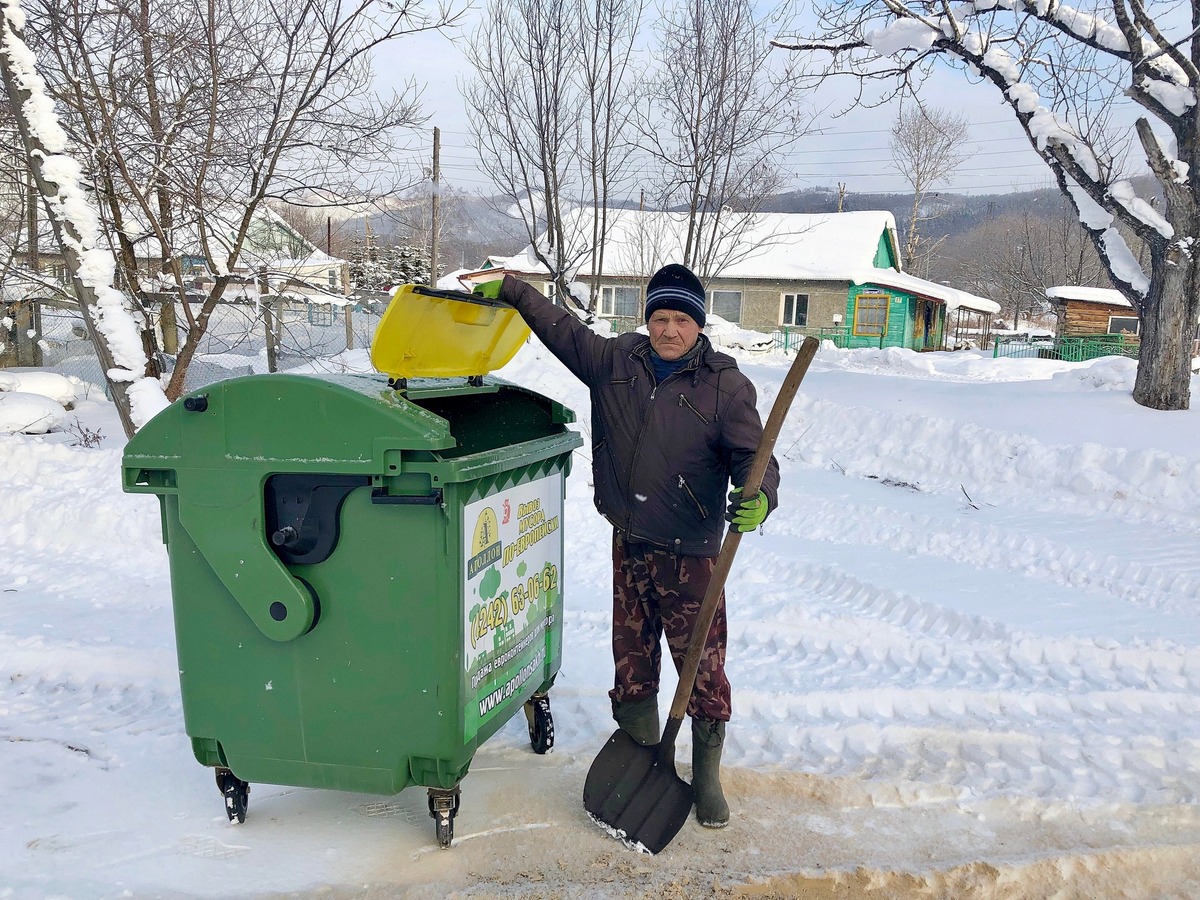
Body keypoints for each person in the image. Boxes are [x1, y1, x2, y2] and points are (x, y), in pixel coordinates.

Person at [474, 264, 779, 829]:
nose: (669, 330)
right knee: (632, 658)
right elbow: (561, 329)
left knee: (702, 666)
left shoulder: (725, 385)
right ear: (647, 320)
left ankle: (706, 776)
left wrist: (759, 493)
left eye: (681, 320)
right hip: (630, 540)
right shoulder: (617, 364)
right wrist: (515, 290)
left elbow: (753, 456)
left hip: (690, 551)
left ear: (699, 324)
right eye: (660, 317)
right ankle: (641, 760)